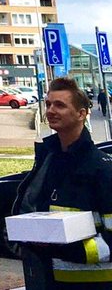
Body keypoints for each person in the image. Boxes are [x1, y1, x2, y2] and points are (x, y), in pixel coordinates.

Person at [12, 76, 112, 289]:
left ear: (81, 114)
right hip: (49, 279)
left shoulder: (101, 169)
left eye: (60, 105)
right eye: (48, 104)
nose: (50, 110)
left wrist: (65, 250)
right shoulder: (48, 160)